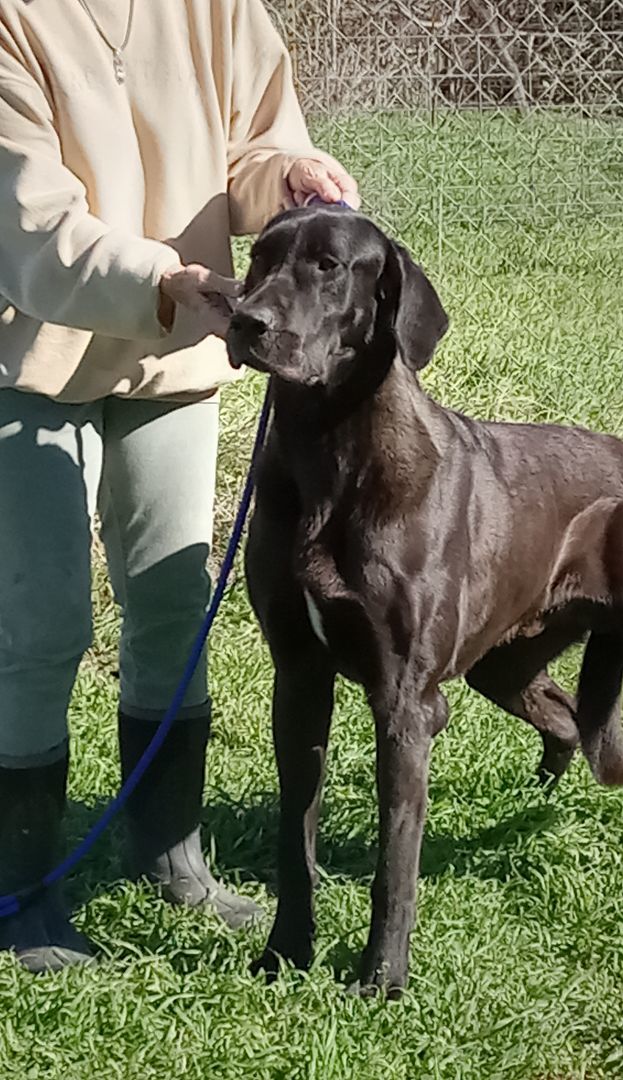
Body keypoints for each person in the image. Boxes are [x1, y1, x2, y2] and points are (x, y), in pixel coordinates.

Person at [0, 0, 359, 973]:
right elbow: (30, 220)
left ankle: (172, 858)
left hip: (178, 350)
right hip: (28, 358)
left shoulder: (218, 9)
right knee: (39, 625)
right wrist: (164, 281)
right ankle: (23, 892)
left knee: (172, 602)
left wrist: (289, 174)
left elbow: (256, 144)